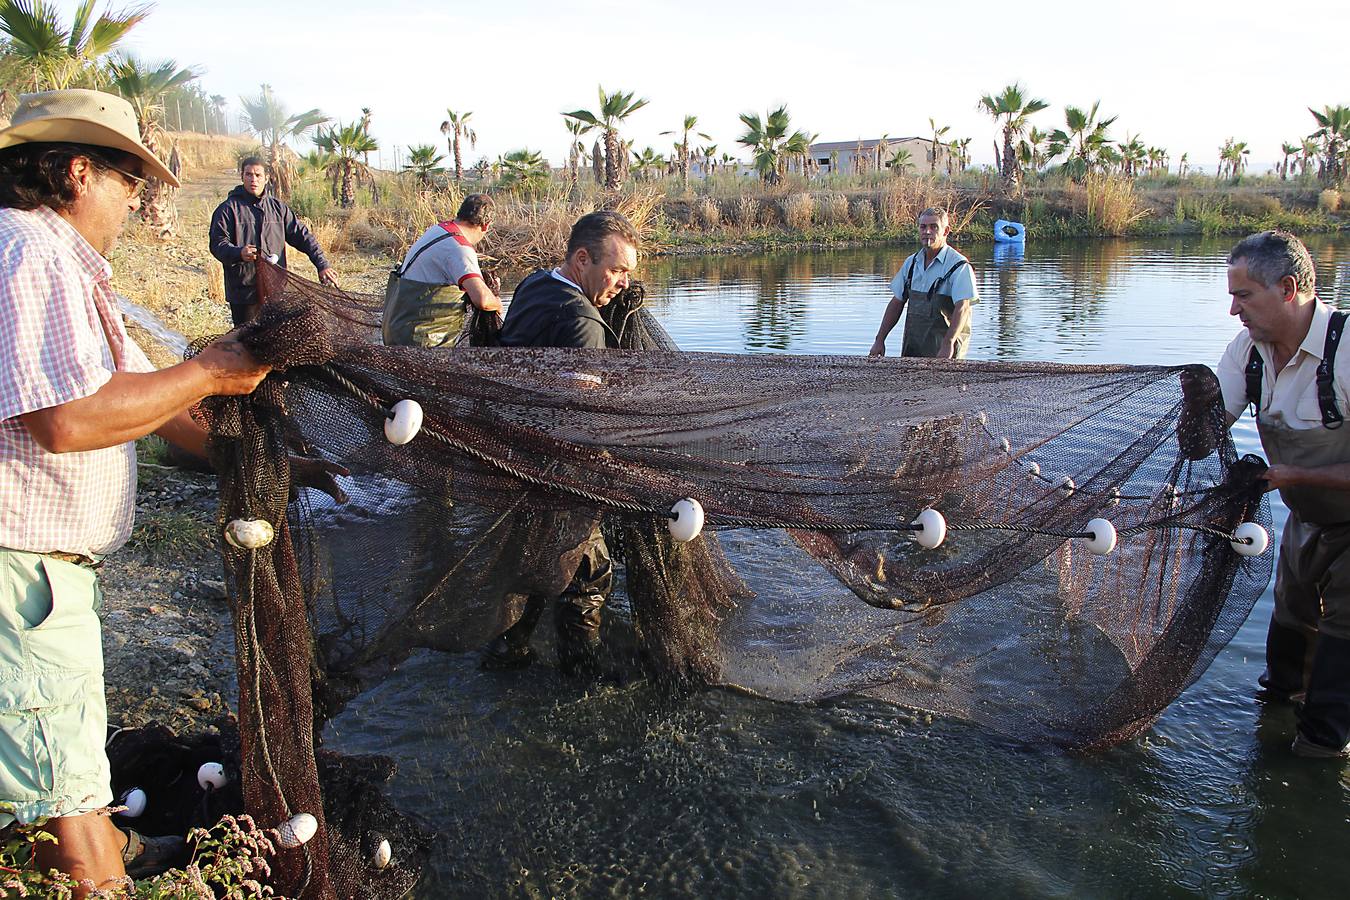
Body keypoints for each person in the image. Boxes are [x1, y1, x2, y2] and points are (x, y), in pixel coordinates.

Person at [0, 89, 273, 892]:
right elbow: (67, 418)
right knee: (61, 791)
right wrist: (213, 370)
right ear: (79, 171)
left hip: (45, 579)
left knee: (66, 768)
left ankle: (105, 855)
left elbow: (133, 405)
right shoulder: (28, 251)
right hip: (22, 578)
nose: (136, 200)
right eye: (129, 180)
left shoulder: (59, 263)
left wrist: (247, 454)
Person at [483, 211, 638, 675]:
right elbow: (586, 416)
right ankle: (581, 671)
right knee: (588, 572)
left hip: (511, 454)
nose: (624, 283)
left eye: (629, 272)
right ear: (582, 258)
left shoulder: (534, 285)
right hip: (554, 469)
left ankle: (509, 651)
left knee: (535, 563)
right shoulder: (582, 323)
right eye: (617, 269)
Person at [1216, 230, 1350, 758]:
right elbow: (1209, 428)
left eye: (1244, 296)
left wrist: (1294, 473)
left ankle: (1318, 762)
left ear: (1289, 288)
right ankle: (1273, 746)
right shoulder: (1248, 351)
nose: (1233, 310)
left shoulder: (1345, 350)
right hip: (1303, 522)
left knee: (1331, 696)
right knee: (1283, 668)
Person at [209, 155, 336, 325]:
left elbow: (303, 236)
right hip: (244, 291)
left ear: (266, 178)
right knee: (247, 342)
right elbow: (217, 244)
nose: (253, 179)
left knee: (275, 338)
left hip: (275, 288)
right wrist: (238, 252)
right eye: (248, 174)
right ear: (242, 176)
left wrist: (322, 265)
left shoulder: (278, 208)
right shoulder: (227, 209)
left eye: (258, 175)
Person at [382, 193, 502, 347]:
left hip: (395, 329)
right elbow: (482, 300)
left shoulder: (439, 230)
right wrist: (498, 304)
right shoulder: (460, 249)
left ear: (461, 213)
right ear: (486, 225)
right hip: (419, 341)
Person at [869, 207, 979, 359]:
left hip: (946, 352)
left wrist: (948, 344)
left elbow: (963, 307)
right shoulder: (912, 263)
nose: (927, 231)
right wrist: (879, 340)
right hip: (913, 349)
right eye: (923, 227)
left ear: (945, 231)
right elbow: (896, 302)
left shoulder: (959, 266)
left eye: (934, 227)